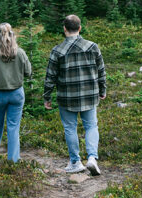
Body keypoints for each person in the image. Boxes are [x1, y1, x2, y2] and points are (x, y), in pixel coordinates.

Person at [43, 14, 106, 175]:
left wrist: (47, 97)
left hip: (67, 97)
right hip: (90, 95)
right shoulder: (93, 47)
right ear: (79, 28)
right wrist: (102, 90)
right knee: (91, 126)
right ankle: (92, 158)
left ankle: (75, 161)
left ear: (64, 29)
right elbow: (101, 71)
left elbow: (50, 76)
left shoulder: (57, 51)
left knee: (70, 128)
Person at [0, 22, 32, 162]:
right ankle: (13, 159)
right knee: (13, 127)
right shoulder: (20, 52)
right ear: (12, 35)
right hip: (16, 93)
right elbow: (29, 72)